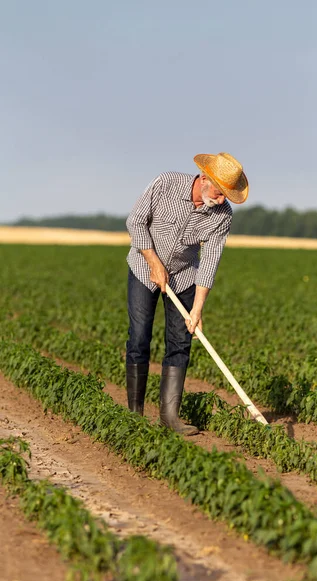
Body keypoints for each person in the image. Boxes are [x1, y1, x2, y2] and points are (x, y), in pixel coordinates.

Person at [125, 152, 248, 435]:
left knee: (180, 342)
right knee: (140, 336)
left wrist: (198, 308)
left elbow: (210, 260)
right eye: (219, 193)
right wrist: (153, 263)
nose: (220, 200)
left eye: (226, 196)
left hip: (183, 276)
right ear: (204, 179)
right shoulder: (166, 183)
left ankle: (170, 417)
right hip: (144, 268)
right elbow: (135, 222)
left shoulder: (222, 215)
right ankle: (134, 415)